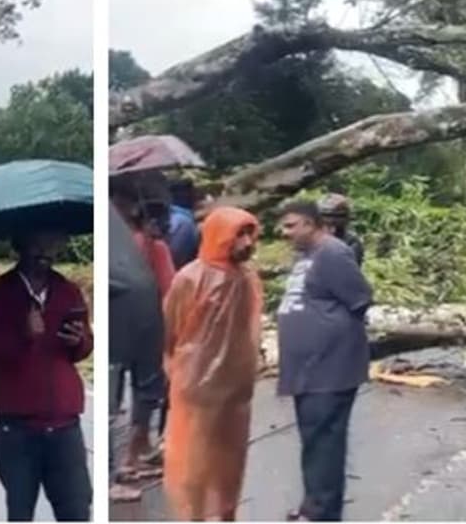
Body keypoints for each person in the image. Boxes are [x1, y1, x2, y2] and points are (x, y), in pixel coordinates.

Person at [0, 231, 93, 522]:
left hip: (65, 424)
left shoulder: (68, 291)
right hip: (17, 429)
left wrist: (80, 341)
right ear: (19, 245)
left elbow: (85, 346)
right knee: (21, 512)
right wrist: (21, 336)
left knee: (76, 511)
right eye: (38, 243)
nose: (46, 251)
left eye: (53, 244)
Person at [162, 207, 262, 522]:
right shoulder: (190, 278)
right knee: (194, 459)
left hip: (235, 390)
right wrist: (174, 369)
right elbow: (170, 330)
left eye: (250, 233)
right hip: (196, 386)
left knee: (229, 459)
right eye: (239, 234)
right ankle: (194, 516)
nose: (246, 242)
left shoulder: (248, 279)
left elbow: (251, 329)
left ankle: (226, 514)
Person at [276, 201, 373, 522]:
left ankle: (322, 513)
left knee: (325, 441)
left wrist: (328, 335)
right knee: (313, 438)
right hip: (308, 368)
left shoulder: (333, 253)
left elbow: (360, 298)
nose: (284, 231)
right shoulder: (306, 255)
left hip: (330, 368)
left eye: (291, 225)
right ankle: (312, 504)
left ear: (309, 223)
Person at [108, 190, 173, 503]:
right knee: (147, 392)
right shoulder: (151, 246)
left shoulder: (118, 247)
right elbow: (168, 288)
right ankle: (131, 460)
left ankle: (132, 458)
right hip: (147, 328)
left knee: (116, 395)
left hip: (117, 332)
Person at [318, 194, 364, 266]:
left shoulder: (351, 242)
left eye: (337, 216)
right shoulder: (312, 240)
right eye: (327, 216)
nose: (331, 220)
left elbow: (346, 270)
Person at [166, 180, 202, 270]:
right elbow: (176, 257)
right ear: (188, 195)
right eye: (194, 193)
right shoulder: (184, 223)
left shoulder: (173, 217)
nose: (196, 197)